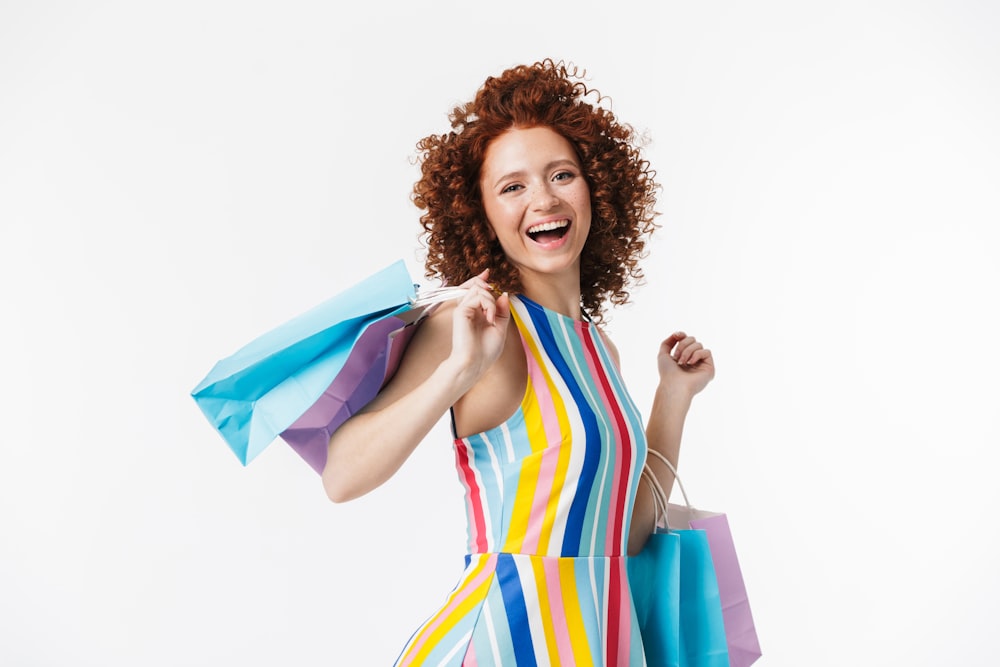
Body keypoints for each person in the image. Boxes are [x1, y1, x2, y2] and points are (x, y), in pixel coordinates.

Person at [323, 59, 715, 665]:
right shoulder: (476, 327)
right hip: (506, 643)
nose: (544, 199)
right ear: (480, 214)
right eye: (513, 186)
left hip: (599, 643)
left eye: (562, 174)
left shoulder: (595, 347)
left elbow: (624, 535)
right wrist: (457, 372)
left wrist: (674, 395)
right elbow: (341, 476)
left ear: (596, 190)